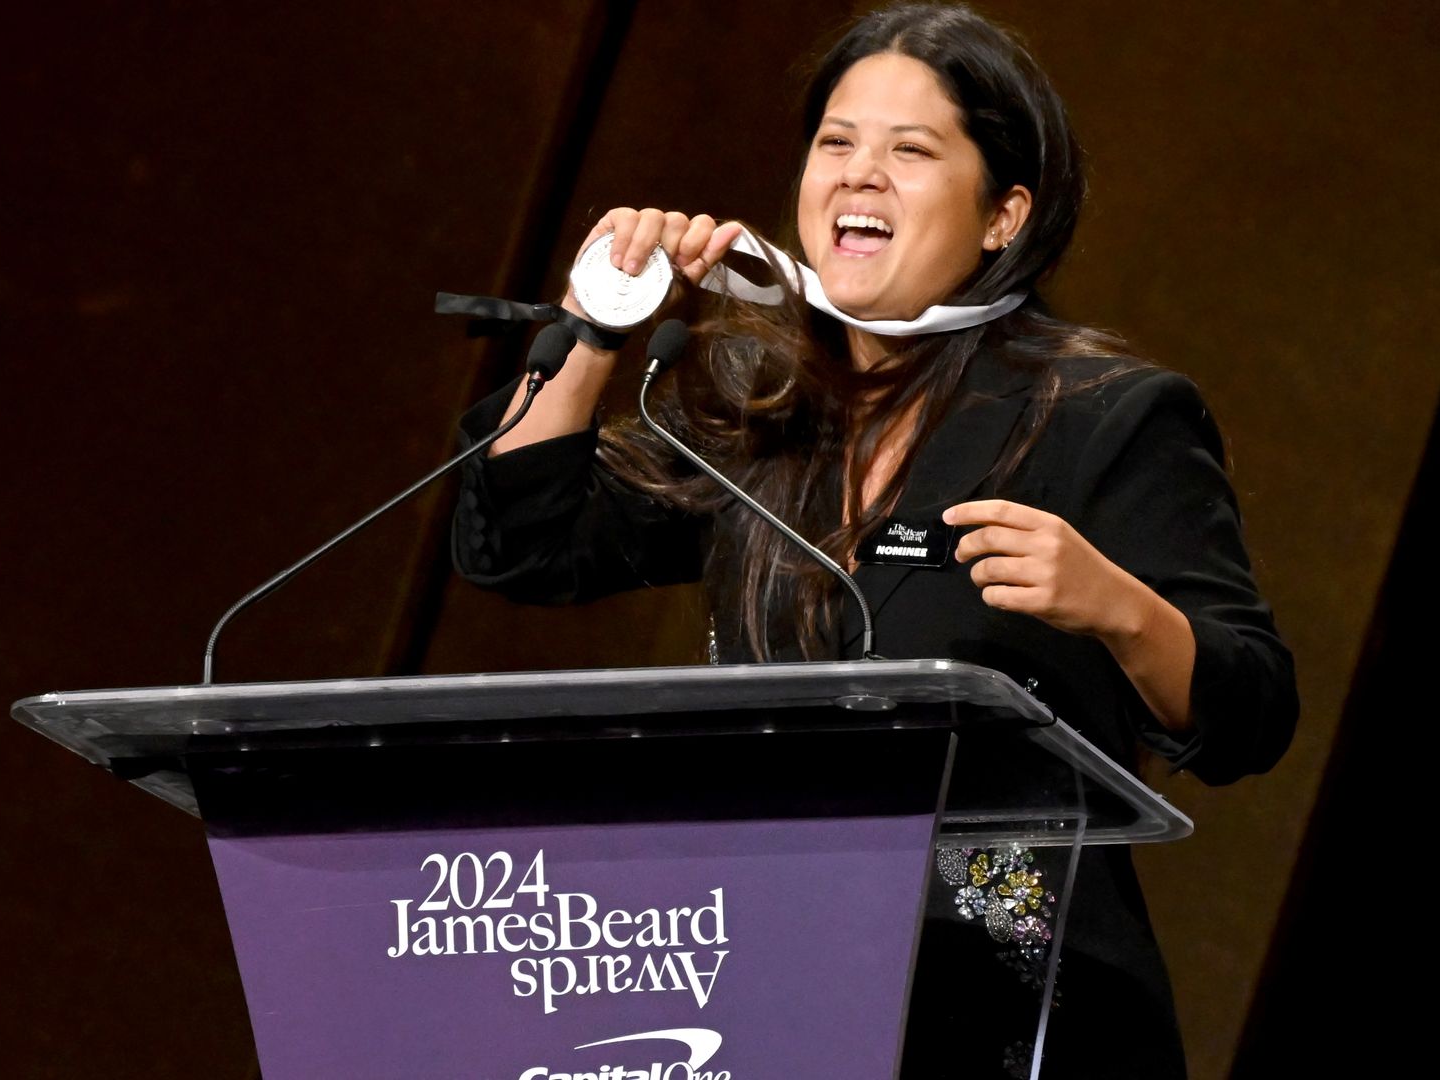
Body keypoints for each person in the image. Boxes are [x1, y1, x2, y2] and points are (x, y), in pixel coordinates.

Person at [453, 4, 1297, 1075]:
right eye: (837, 142)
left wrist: (1114, 604)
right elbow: (521, 544)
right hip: (772, 978)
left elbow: (1252, 712)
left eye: (910, 150)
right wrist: (597, 325)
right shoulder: (759, 411)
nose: (859, 173)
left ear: (1004, 216)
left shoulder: (1102, 415)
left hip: (1006, 997)